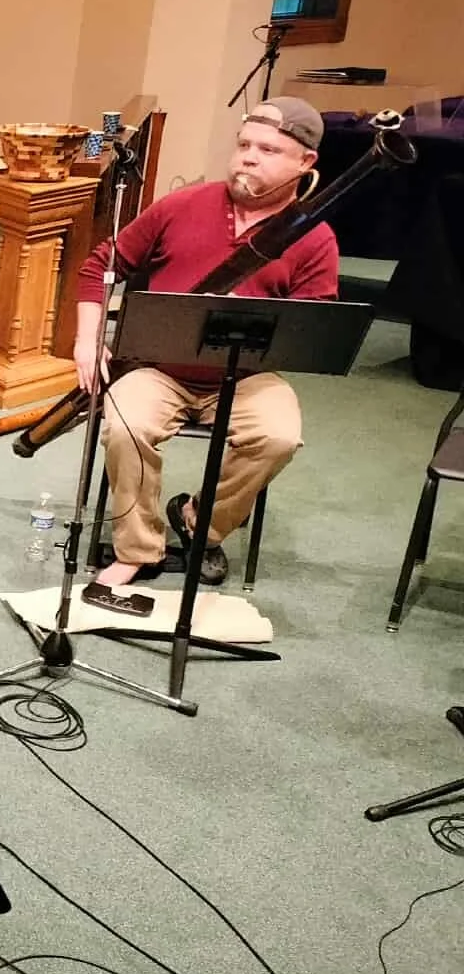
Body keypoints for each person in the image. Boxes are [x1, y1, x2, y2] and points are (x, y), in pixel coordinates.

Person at [76, 98, 337, 608]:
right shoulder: (182, 206)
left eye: (268, 150)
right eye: (244, 145)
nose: (248, 157)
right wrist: (88, 339)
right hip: (158, 368)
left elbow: (312, 329)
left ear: (305, 163)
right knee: (126, 424)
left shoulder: (314, 237)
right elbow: (100, 267)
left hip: (247, 376)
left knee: (279, 436)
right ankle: (137, 549)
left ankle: (200, 522)